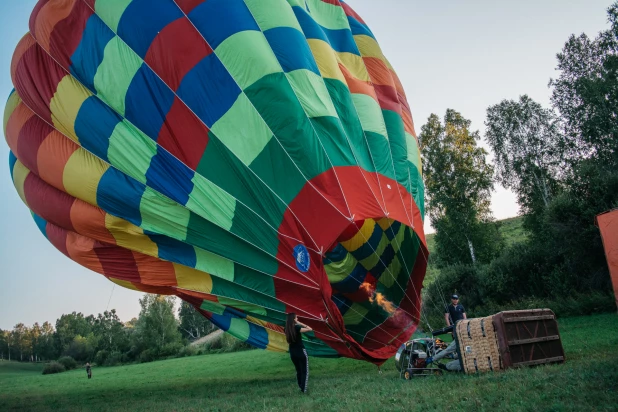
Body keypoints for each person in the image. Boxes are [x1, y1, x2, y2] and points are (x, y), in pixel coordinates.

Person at [285, 313, 312, 394]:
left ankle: (301, 386)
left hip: (292, 353)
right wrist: (299, 323)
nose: (297, 318)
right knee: (304, 370)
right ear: (294, 319)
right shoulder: (297, 327)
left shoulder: (286, 329)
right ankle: (304, 389)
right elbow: (310, 329)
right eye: (296, 317)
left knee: (298, 370)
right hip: (301, 351)